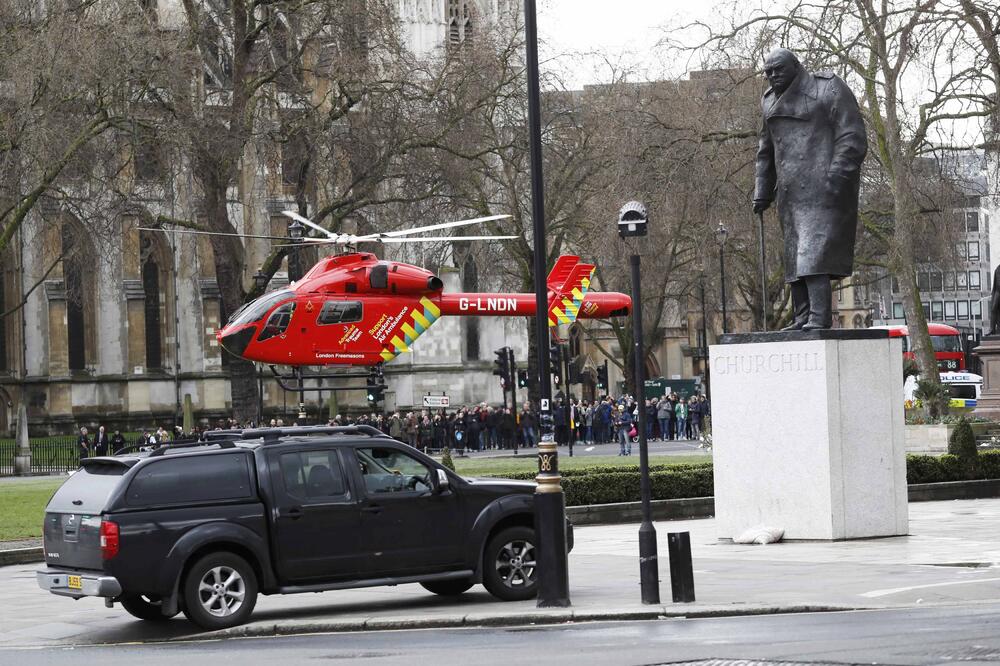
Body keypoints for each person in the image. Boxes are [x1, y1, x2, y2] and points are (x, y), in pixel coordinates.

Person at [753, 48, 868, 330]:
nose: (772, 76)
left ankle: (819, 316)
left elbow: (852, 136)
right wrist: (762, 191)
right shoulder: (768, 102)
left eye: (777, 69)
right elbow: (765, 151)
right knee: (794, 256)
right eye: (767, 72)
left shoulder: (827, 88)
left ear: (795, 66)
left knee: (812, 254)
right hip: (790, 193)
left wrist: (837, 177)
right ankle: (802, 315)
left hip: (824, 188)